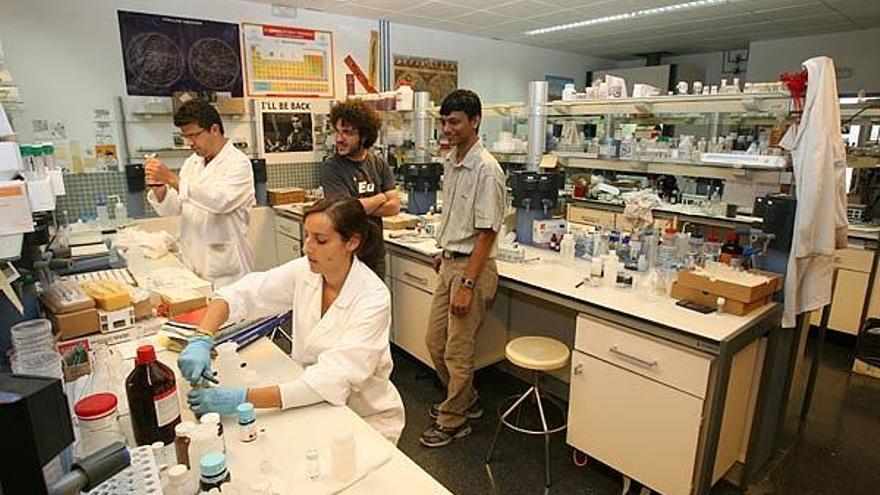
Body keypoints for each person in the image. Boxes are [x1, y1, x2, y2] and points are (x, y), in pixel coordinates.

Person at [180, 196, 405, 444]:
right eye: (306, 236)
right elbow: (243, 293)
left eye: (320, 240)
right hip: (306, 399)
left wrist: (242, 398)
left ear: (352, 241)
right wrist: (201, 338)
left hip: (363, 416)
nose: (307, 247)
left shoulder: (372, 297)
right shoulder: (305, 272)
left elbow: (333, 378)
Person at [420, 90, 506, 448]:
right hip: (451, 262)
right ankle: (465, 400)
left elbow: (487, 233)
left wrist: (468, 281)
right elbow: (458, 216)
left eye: (454, 121)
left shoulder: (487, 169)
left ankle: (454, 420)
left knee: (457, 350)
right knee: (434, 341)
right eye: (444, 121)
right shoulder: (453, 161)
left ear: (475, 121)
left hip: (472, 268)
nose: (447, 128)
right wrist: (446, 249)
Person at [145, 99, 255, 288]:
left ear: (214, 129)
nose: (190, 143)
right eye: (185, 136)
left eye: (194, 135)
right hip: (192, 259)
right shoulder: (192, 163)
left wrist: (172, 178)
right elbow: (173, 208)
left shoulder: (239, 163)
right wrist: (160, 188)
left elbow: (220, 201)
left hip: (226, 270)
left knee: (232, 314)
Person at [320, 100, 399, 277]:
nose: (339, 139)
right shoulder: (331, 168)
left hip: (374, 255)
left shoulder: (378, 164)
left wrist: (360, 205)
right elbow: (345, 211)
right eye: (337, 132)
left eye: (347, 133)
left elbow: (394, 207)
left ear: (364, 136)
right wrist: (380, 198)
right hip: (344, 258)